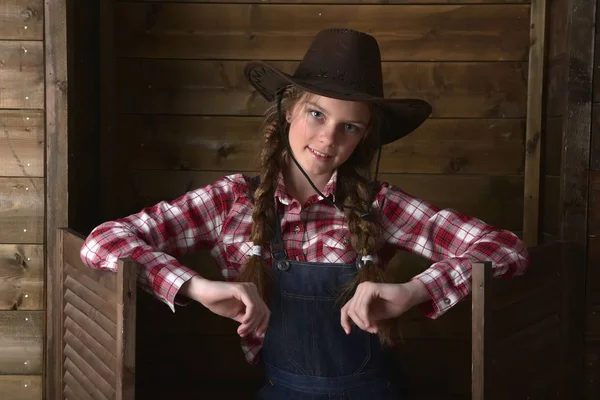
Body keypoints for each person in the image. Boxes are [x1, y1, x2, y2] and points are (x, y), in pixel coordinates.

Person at [80, 28, 529, 399]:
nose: (329, 138)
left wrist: (413, 291)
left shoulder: (382, 205)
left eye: (349, 127)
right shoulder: (229, 202)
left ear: (363, 139)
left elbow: (506, 249)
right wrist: (195, 287)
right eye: (316, 114)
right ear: (288, 110)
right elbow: (105, 242)